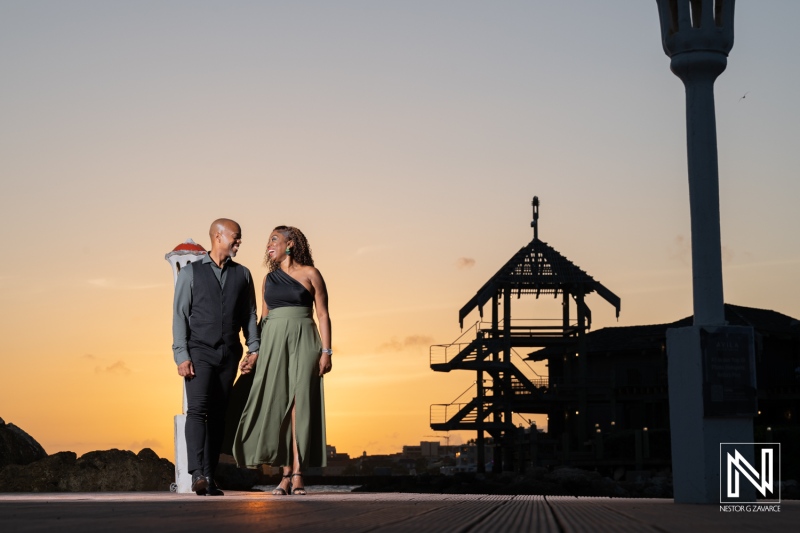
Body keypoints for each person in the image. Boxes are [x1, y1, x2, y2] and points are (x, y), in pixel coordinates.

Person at [232, 225, 332, 496]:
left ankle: (298, 474)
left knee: (300, 405)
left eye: (274, 240)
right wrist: (253, 354)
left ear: (290, 244)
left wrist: (327, 351)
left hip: (304, 340)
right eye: (268, 241)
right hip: (273, 342)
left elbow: (322, 314)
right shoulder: (269, 279)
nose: (268, 245)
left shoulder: (311, 273)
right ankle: (285, 475)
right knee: (279, 407)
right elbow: (263, 319)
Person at [172, 218, 259, 496]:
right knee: (197, 410)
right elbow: (179, 316)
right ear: (218, 236)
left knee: (219, 416)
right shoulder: (190, 274)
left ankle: (209, 477)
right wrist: (181, 354)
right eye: (235, 236)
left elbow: (249, 315)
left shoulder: (243, 274)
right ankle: (197, 473)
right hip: (198, 351)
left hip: (229, 353)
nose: (239, 242)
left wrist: (253, 348)